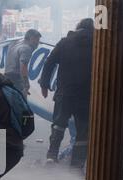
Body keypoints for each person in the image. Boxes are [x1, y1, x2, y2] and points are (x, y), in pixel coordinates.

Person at [40, 18, 94, 168]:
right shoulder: (98, 44)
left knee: (58, 124)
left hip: (65, 92)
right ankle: (77, 163)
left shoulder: (65, 42)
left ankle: (52, 155)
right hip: (86, 95)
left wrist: (44, 84)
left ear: (78, 27)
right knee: (83, 129)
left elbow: (49, 62)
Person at [5, 29, 42, 97]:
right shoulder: (27, 49)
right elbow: (23, 68)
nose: (38, 43)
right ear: (32, 38)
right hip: (16, 80)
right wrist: (26, 85)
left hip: (7, 77)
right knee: (20, 104)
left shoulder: (16, 43)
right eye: (37, 40)